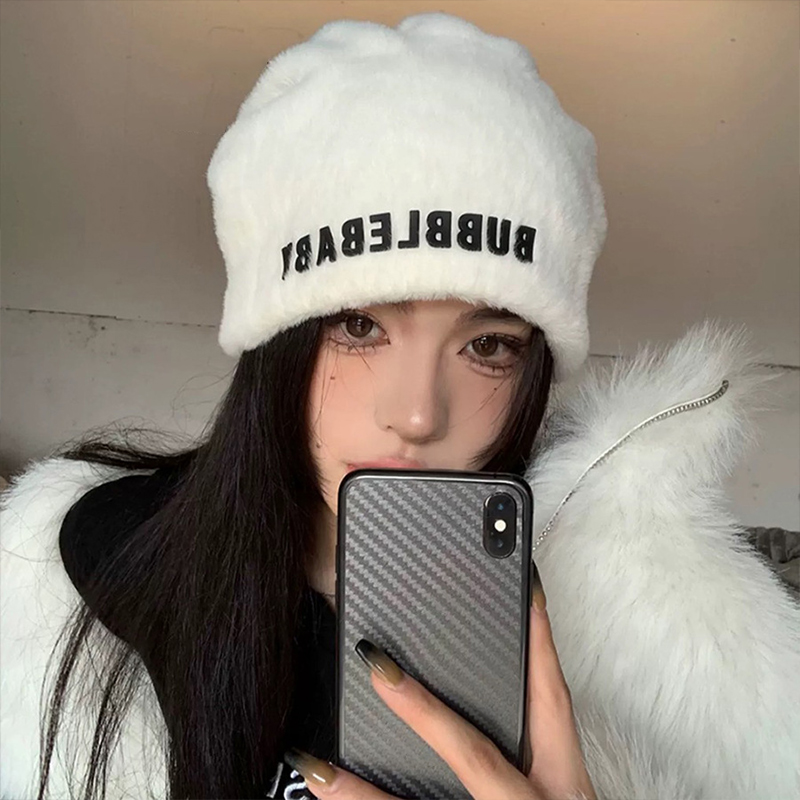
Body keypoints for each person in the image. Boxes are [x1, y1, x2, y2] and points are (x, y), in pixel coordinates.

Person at [1, 11, 798, 800]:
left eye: (489, 345)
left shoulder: (671, 651)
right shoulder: (108, 553)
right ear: (275, 344)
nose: (418, 416)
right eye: (359, 326)